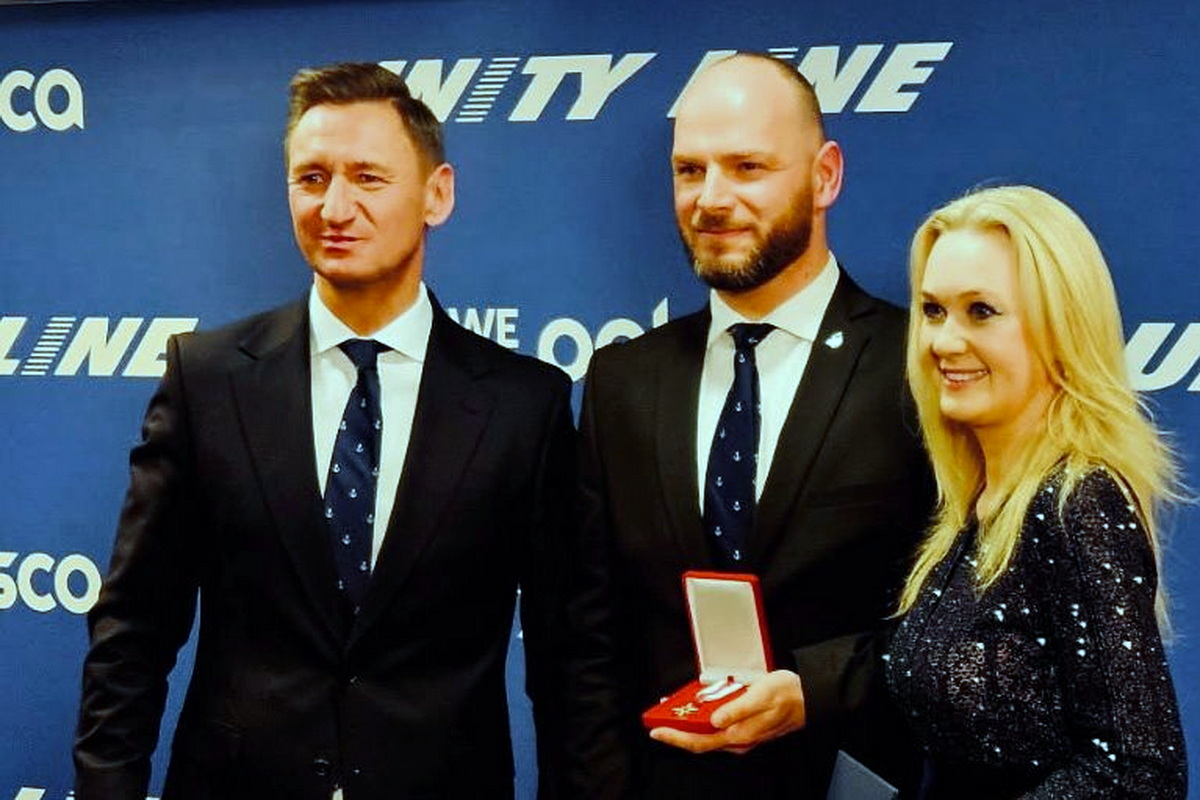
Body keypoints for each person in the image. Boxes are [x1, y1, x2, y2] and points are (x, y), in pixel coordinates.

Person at [73, 62, 574, 800]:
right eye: (312, 178)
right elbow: (134, 626)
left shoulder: (524, 405)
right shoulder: (207, 379)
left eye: (368, 177)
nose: (335, 207)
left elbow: (566, 662)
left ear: (437, 194)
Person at [563, 53, 934, 798]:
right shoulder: (622, 381)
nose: (711, 198)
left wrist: (815, 689)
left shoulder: (921, 369)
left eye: (747, 167)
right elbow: (586, 639)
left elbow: (965, 624)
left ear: (825, 176)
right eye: (689, 170)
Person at [886, 185, 1188, 798]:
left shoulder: (1077, 502)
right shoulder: (978, 501)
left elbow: (1139, 772)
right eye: (934, 310)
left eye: (981, 311)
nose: (944, 342)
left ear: (1062, 329)